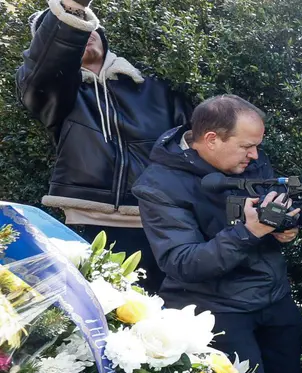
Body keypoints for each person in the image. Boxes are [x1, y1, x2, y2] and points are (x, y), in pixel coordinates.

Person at [134, 95, 302, 373]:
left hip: (273, 297)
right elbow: (181, 261)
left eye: (257, 146)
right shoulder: (159, 185)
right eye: (247, 146)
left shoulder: (248, 159)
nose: (255, 155)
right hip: (217, 308)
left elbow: (270, 208)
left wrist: (283, 229)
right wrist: (249, 232)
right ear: (211, 139)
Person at [17, 0, 191, 293]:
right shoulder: (54, 96)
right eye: (71, 31)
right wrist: (71, 8)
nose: (84, 34)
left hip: (160, 221)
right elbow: (43, 71)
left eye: (87, 26)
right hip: (89, 225)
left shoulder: (153, 86)